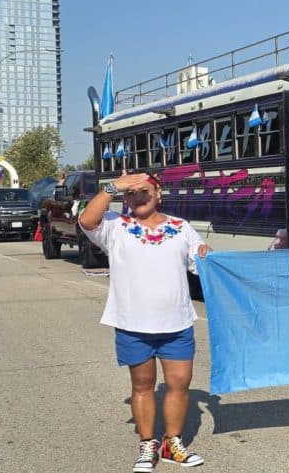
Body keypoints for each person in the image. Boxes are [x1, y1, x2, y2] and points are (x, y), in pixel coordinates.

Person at [79, 171, 210, 472]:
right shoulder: (115, 226)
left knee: (179, 385)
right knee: (143, 387)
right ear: (125, 198)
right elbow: (87, 221)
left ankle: (172, 443)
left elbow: (199, 261)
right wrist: (113, 188)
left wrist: (205, 254)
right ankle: (147, 444)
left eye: (144, 191)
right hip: (133, 325)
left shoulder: (181, 228)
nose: (138, 197)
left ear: (158, 193)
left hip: (176, 325)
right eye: (131, 193)